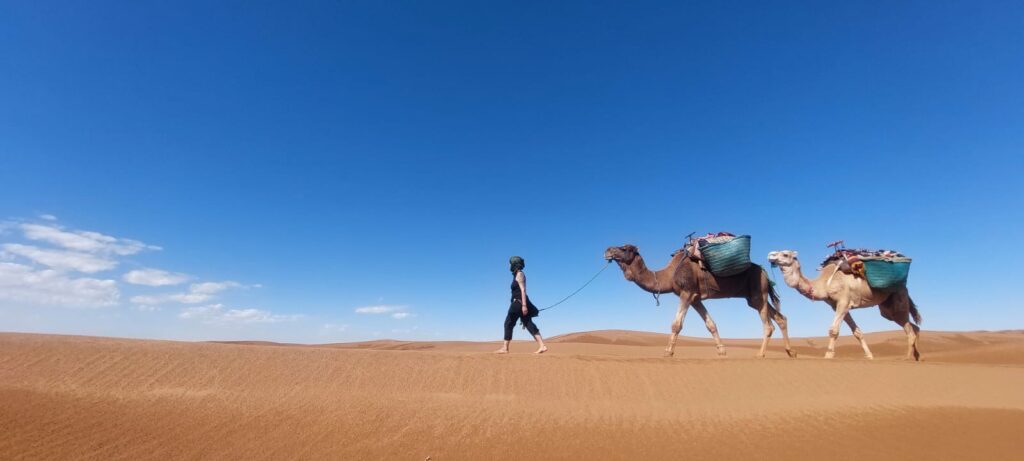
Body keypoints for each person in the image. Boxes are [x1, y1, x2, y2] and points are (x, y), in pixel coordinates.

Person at [495, 256, 547, 354]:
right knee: (528, 323)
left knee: (508, 323)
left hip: (518, 303)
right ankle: (542, 346)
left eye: (510, 263)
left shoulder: (519, 274)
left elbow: (523, 290)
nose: (509, 265)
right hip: (519, 303)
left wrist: (524, 305)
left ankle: (505, 348)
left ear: (514, 263)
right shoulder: (516, 275)